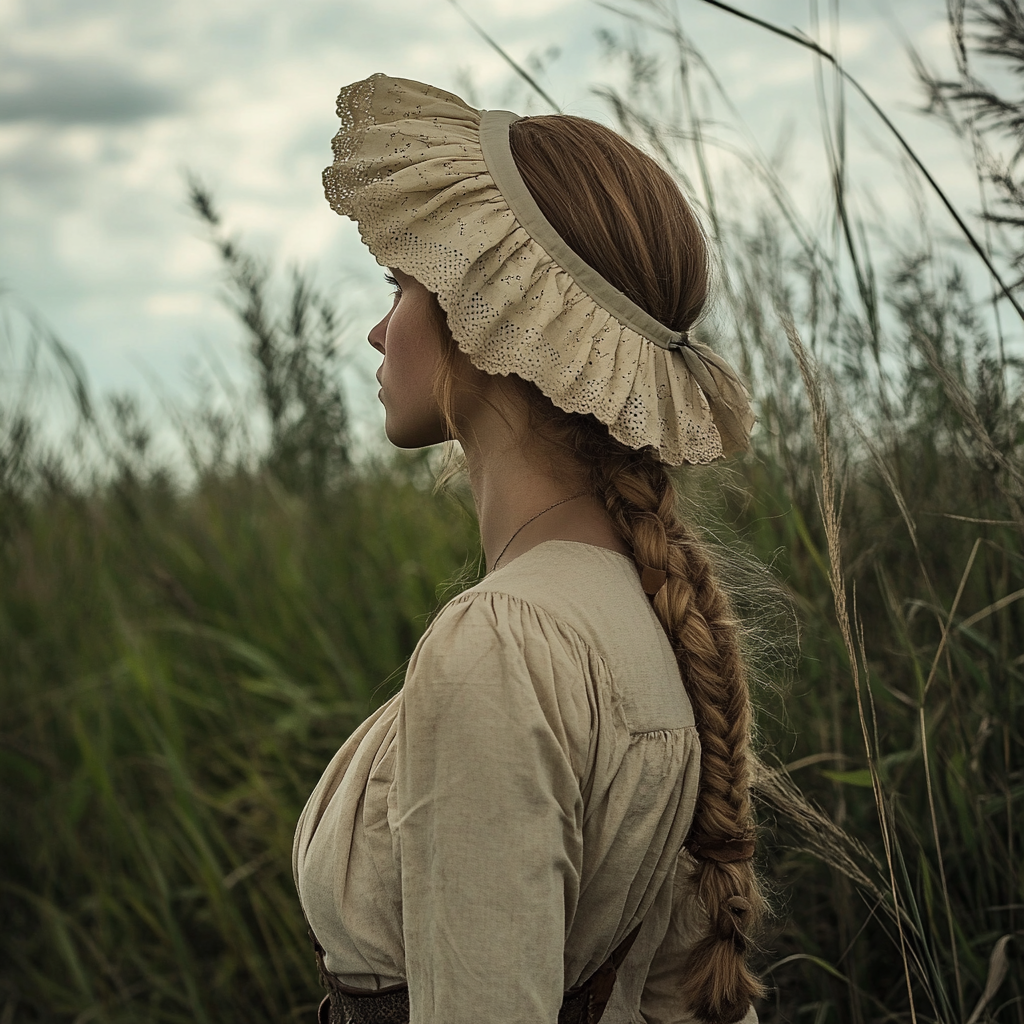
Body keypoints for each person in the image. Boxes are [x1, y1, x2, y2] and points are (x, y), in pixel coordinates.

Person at [292, 73, 762, 1024]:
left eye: (401, 285)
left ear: (490, 307)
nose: (378, 330)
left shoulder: (504, 643)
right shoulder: (646, 614)